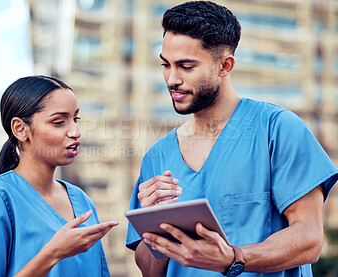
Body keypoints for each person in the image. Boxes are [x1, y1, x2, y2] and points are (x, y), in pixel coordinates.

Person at [126, 1, 338, 277]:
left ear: (225, 65)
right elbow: (150, 271)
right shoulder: (158, 156)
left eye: (186, 66)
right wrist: (155, 230)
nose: (172, 79)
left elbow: (309, 240)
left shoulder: (277, 129)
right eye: (166, 65)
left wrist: (233, 258)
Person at [0, 75, 118, 276]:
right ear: (20, 129)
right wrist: (52, 254)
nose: (75, 132)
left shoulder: (82, 200)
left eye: (75, 119)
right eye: (60, 122)